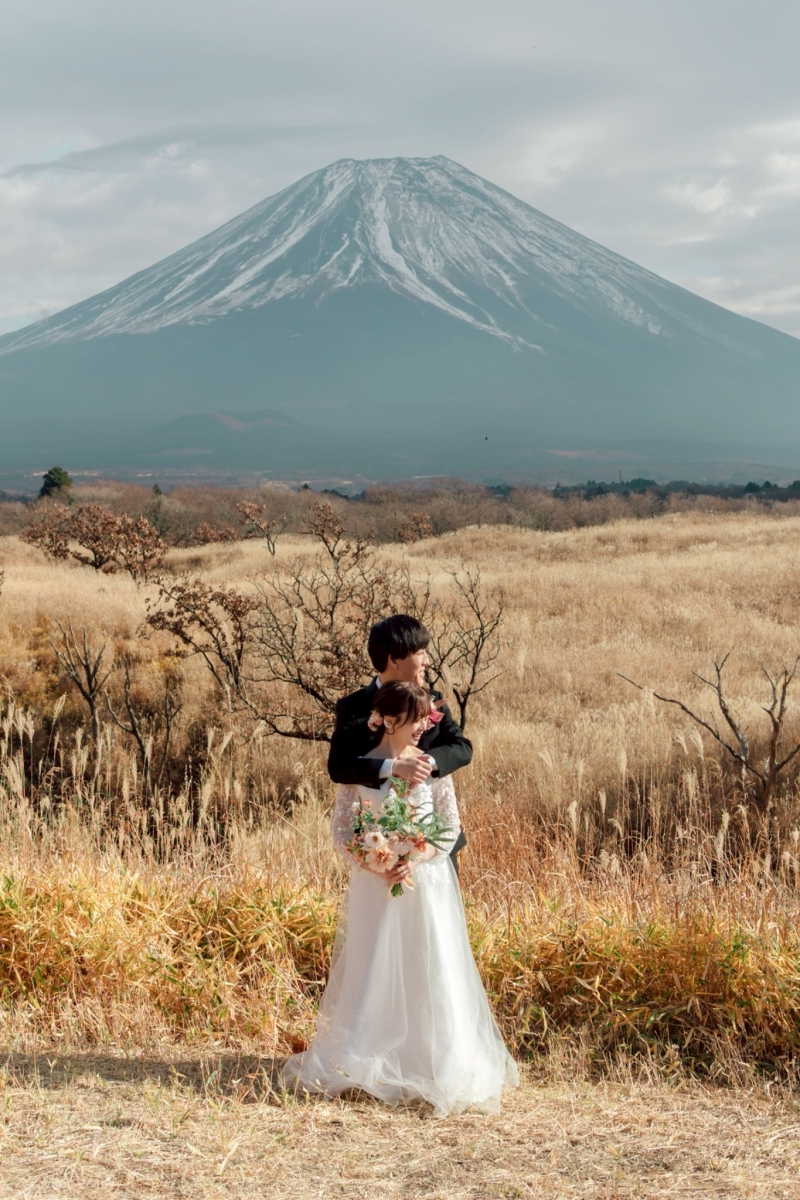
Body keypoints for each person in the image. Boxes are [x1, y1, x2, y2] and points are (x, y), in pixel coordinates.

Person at [282, 681, 518, 1114]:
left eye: (426, 720)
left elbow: (448, 825)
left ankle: (436, 1061)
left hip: (426, 886)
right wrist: (376, 860)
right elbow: (340, 832)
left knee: (431, 964)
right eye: (416, 720)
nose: (424, 727)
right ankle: (367, 1058)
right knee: (374, 967)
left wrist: (420, 855)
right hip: (376, 887)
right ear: (389, 720)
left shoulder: (430, 765)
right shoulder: (363, 766)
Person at [327, 614, 472, 869]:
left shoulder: (433, 697)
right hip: (378, 848)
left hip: (433, 844)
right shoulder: (353, 707)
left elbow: (462, 748)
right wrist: (393, 767)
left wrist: (423, 763)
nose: (427, 660)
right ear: (393, 659)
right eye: (421, 652)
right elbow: (338, 766)